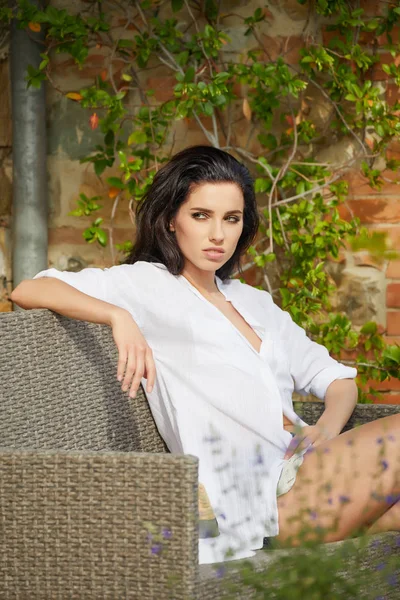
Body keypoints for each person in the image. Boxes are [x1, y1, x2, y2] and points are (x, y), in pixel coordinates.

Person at [11, 145, 400, 565]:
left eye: (231, 219)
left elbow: (337, 379)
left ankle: (330, 552)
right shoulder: (146, 285)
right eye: (201, 216)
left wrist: (326, 426)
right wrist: (116, 315)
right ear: (171, 220)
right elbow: (29, 289)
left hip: (302, 467)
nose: (218, 234)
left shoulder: (255, 302)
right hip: (259, 500)